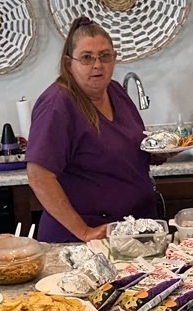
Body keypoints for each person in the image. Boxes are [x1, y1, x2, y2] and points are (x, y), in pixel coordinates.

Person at [26, 17, 157, 243]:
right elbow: (39, 176)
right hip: (83, 239)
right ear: (69, 63)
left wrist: (157, 153)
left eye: (104, 56)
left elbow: (125, 148)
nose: (97, 65)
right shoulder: (57, 105)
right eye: (86, 58)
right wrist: (85, 232)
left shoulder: (115, 91)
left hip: (128, 231)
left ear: (114, 58)